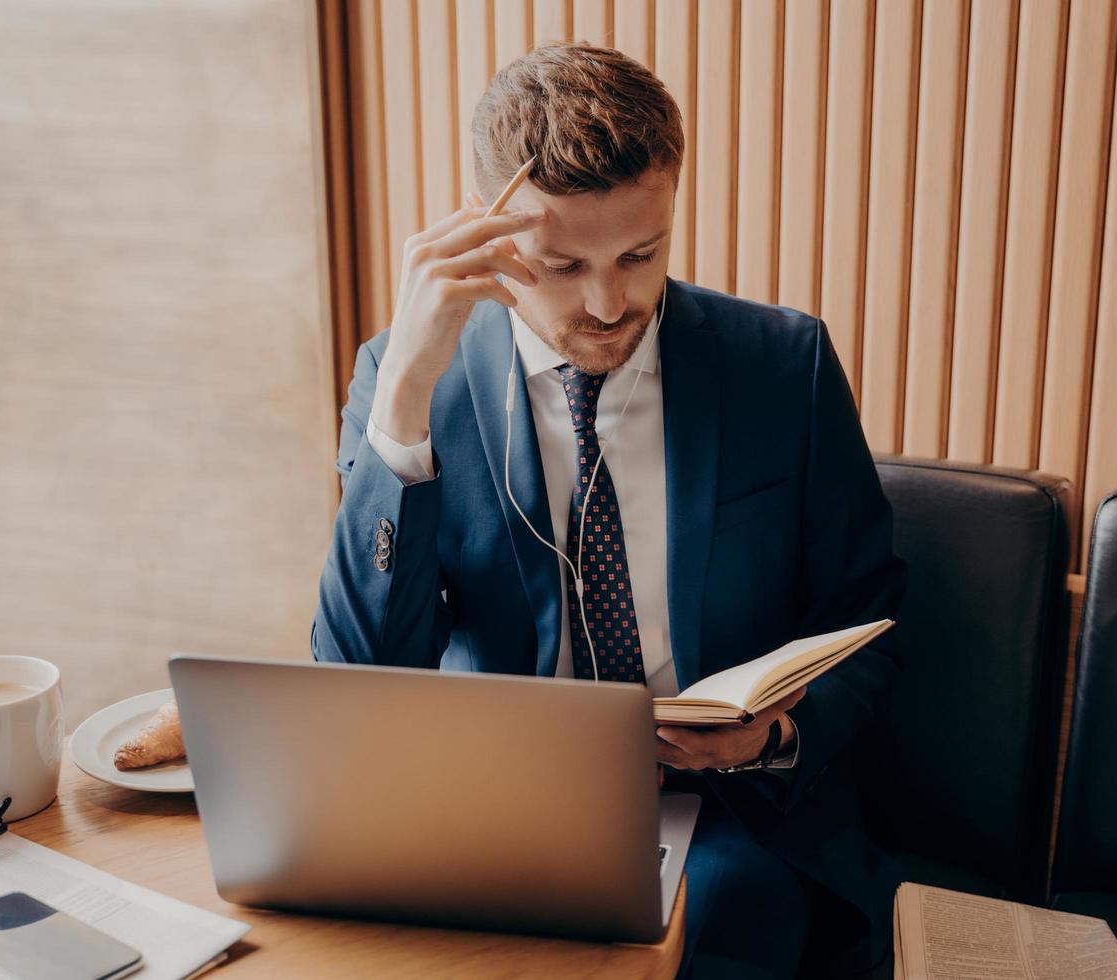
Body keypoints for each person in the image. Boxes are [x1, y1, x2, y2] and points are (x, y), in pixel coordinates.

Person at [312, 41, 906, 979]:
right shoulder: (405, 377)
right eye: (560, 264)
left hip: (728, 813)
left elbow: (869, 618)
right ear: (488, 231)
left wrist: (776, 735)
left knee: (721, 919)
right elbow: (356, 678)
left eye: (642, 253)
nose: (608, 302)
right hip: (496, 813)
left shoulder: (782, 367)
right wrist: (403, 406)